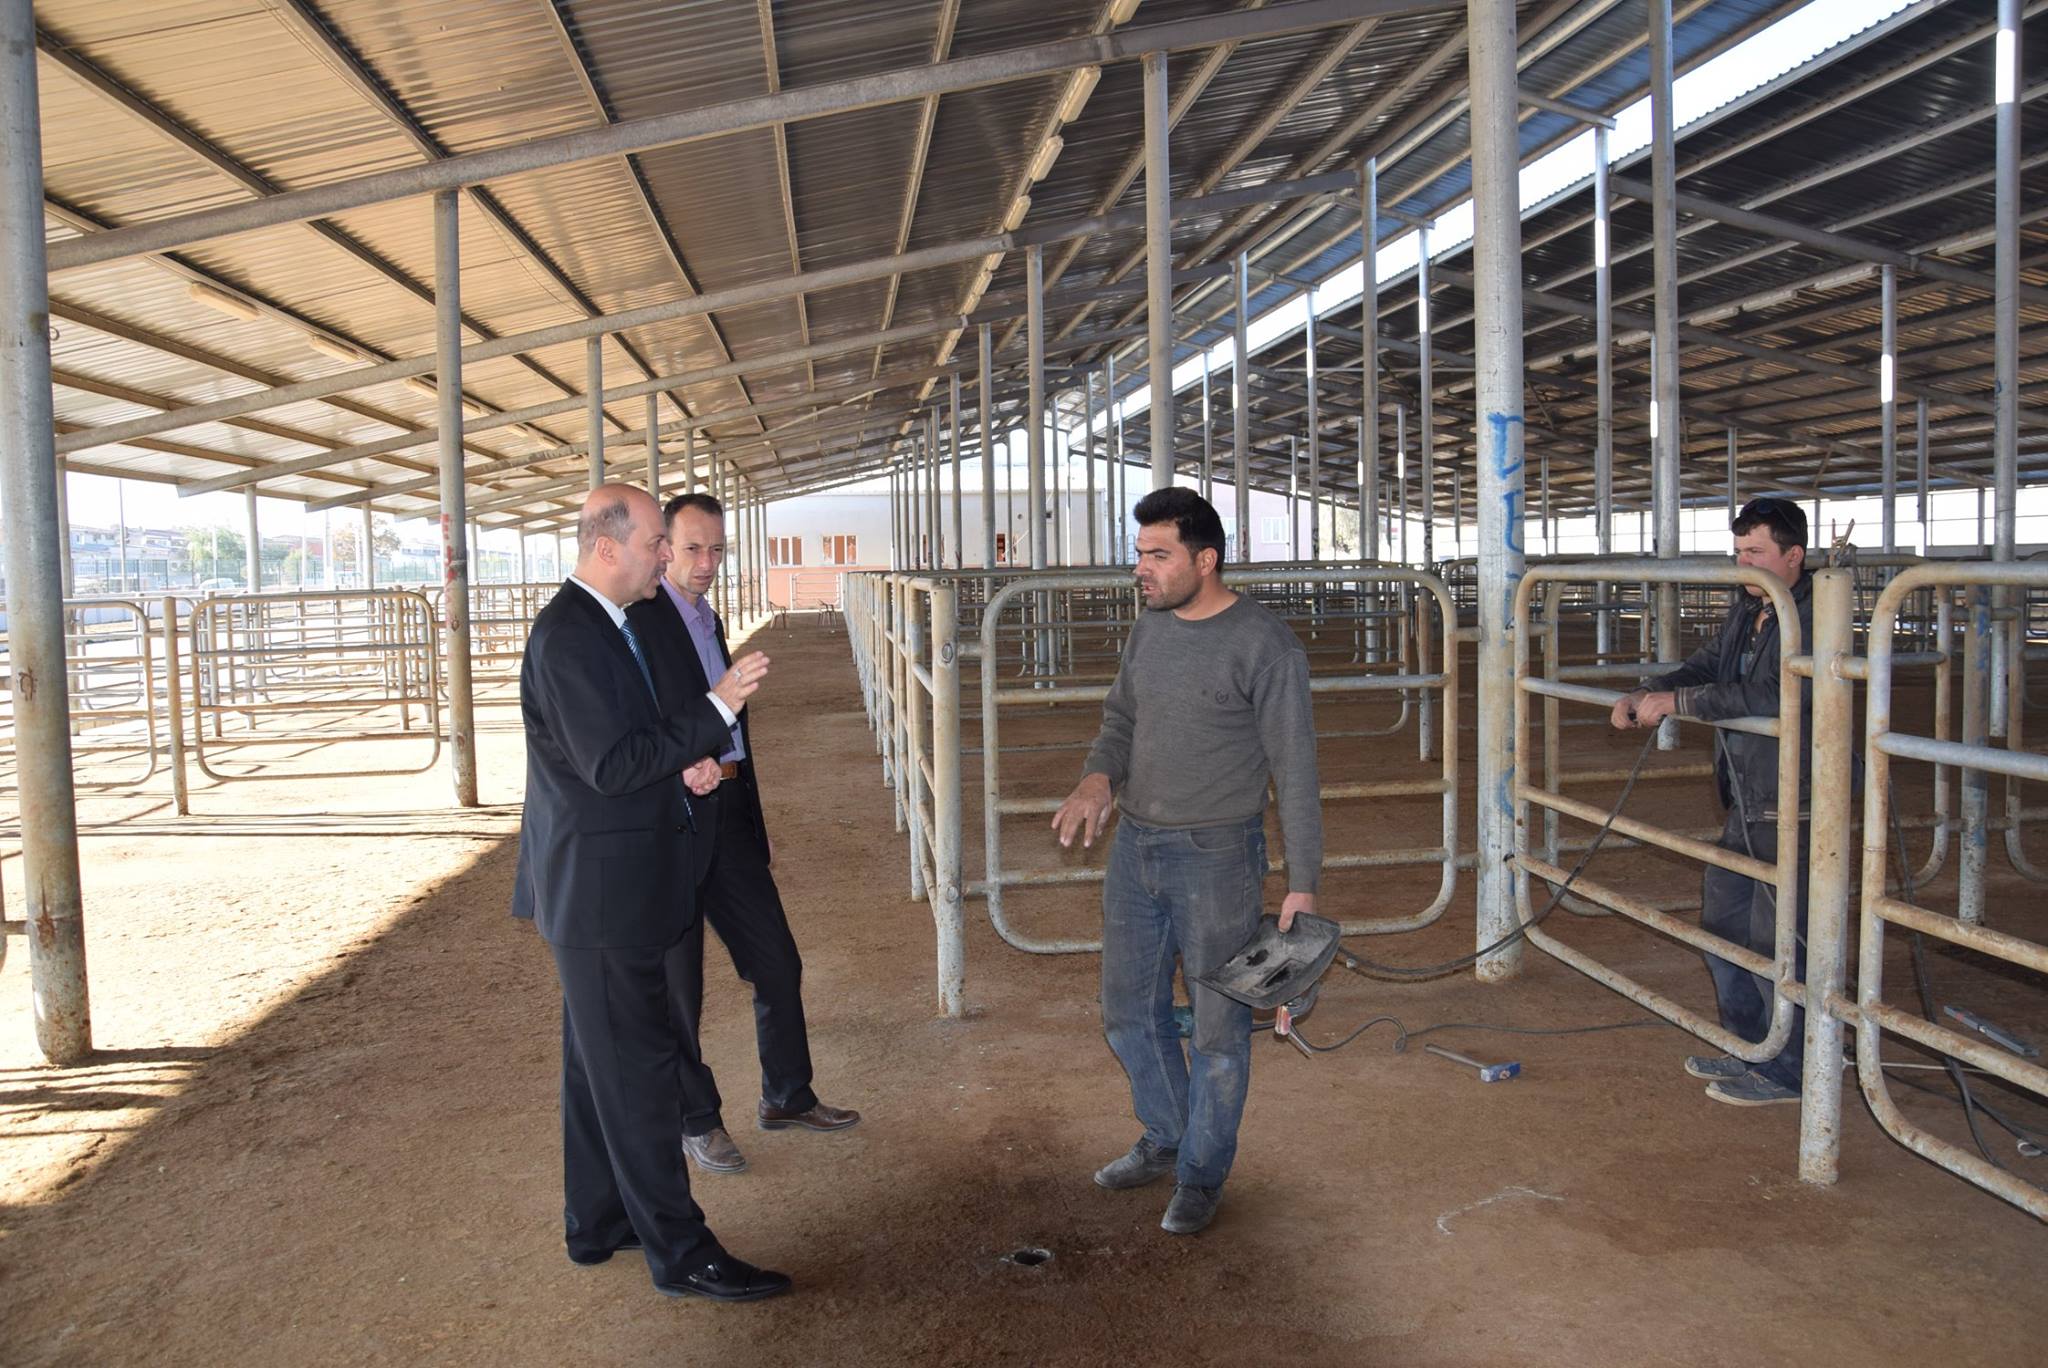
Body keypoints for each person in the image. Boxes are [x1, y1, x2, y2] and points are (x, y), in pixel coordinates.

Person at [511, 483, 790, 1301]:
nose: (667, 556)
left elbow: (626, 747)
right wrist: (716, 708)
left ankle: (599, 1221)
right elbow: (608, 765)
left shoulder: (610, 624)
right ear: (607, 547)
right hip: (605, 895)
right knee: (637, 1073)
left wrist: (685, 764)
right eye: (655, 544)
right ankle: (682, 1250)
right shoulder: (570, 635)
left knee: (595, 1068)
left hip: (609, 883)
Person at [1051, 487, 1323, 1235]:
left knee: (1217, 1029)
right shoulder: (1150, 629)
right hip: (1135, 846)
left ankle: (1202, 1174)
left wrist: (1302, 885)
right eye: (1139, 553)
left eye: (1158, 555)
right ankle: (1168, 1135)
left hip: (1218, 858)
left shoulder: (1264, 646)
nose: (1141, 568)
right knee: (1127, 1011)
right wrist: (1098, 779)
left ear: (1206, 561)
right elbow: (1121, 719)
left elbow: (1295, 769)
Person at [626, 493, 859, 1176]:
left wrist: (744, 807)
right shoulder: (641, 620)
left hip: (726, 813)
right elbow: (641, 728)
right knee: (680, 986)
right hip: (673, 819)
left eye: (717, 549)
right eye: (692, 548)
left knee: (776, 960)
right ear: (663, 548)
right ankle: (695, 1119)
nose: (706, 563)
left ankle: (787, 1094)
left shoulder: (707, 617)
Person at [1610, 496, 1814, 1108]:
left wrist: (1679, 704)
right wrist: (1650, 690)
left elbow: (1775, 693)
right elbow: (1705, 667)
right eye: (1740, 552)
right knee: (1725, 922)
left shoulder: (1813, 615)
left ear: (1794, 555)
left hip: (1796, 794)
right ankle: (1752, 1044)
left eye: (1757, 552)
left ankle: (1793, 1069)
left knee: (1783, 936)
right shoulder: (1750, 609)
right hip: (1749, 791)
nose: (1744, 564)